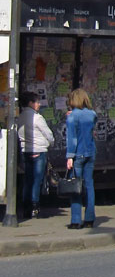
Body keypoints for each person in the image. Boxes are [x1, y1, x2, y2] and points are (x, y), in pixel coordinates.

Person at [64, 88, 97, 230]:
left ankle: (76, 220)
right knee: (89, 185)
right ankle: (89, 218)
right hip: (90, 153)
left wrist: (69, 156)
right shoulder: (92, 114)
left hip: (77, 154)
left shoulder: (72, 117)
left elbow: (72, 138)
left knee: (76, 187)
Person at [18, 91, 54, 220]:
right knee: (37, 180)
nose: (39, 104)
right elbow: (48, 134)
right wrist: (51, 142)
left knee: (28, 179)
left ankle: (26, 206)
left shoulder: (20, 117)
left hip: (26, 151)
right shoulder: (37, 118)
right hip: (39, 150)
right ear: (30, 103)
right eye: (37, 102)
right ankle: (35, 206)